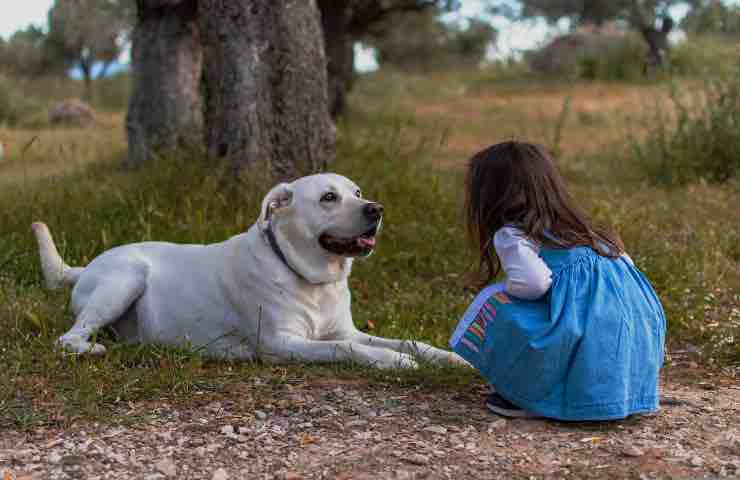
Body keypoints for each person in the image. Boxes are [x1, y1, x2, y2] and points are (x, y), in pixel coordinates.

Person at [449, 141, 665, 421]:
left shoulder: (514, 234)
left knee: (492, 302)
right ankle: (618, 392)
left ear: (491, 197)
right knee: (587, 318)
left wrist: (509, 290)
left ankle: (529, 394)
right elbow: (628, 272)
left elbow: (534, 283)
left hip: (584, 336)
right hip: (636, 336)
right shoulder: (590, 233)